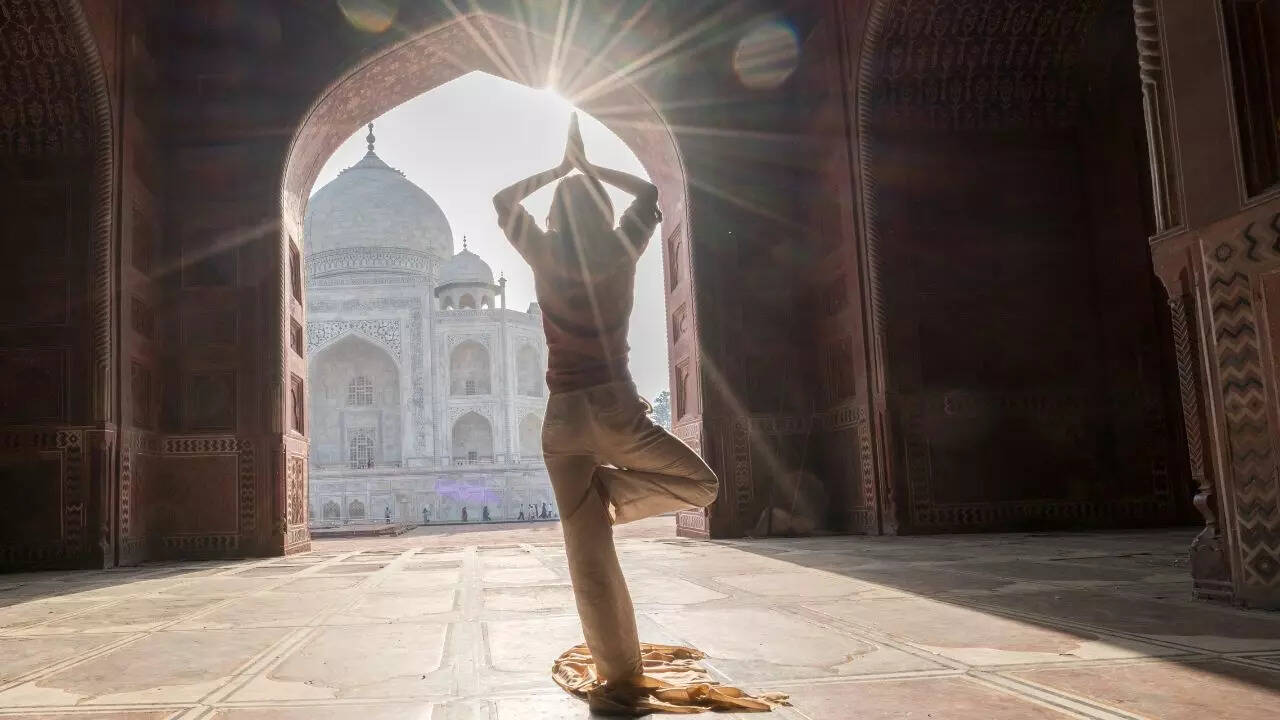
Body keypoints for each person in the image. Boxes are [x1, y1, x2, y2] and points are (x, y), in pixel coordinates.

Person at [493, 114, 720, 691]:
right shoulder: (622, 249)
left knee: (586, 553)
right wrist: (592, 168)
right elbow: (648, 195)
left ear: (552, 219)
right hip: (618, 412)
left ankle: (619, 674)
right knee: (702, 486)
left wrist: (559, 168)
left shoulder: (543, 254)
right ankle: (613, 490)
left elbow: (501, 200)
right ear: (601, 211)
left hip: (562, 419)